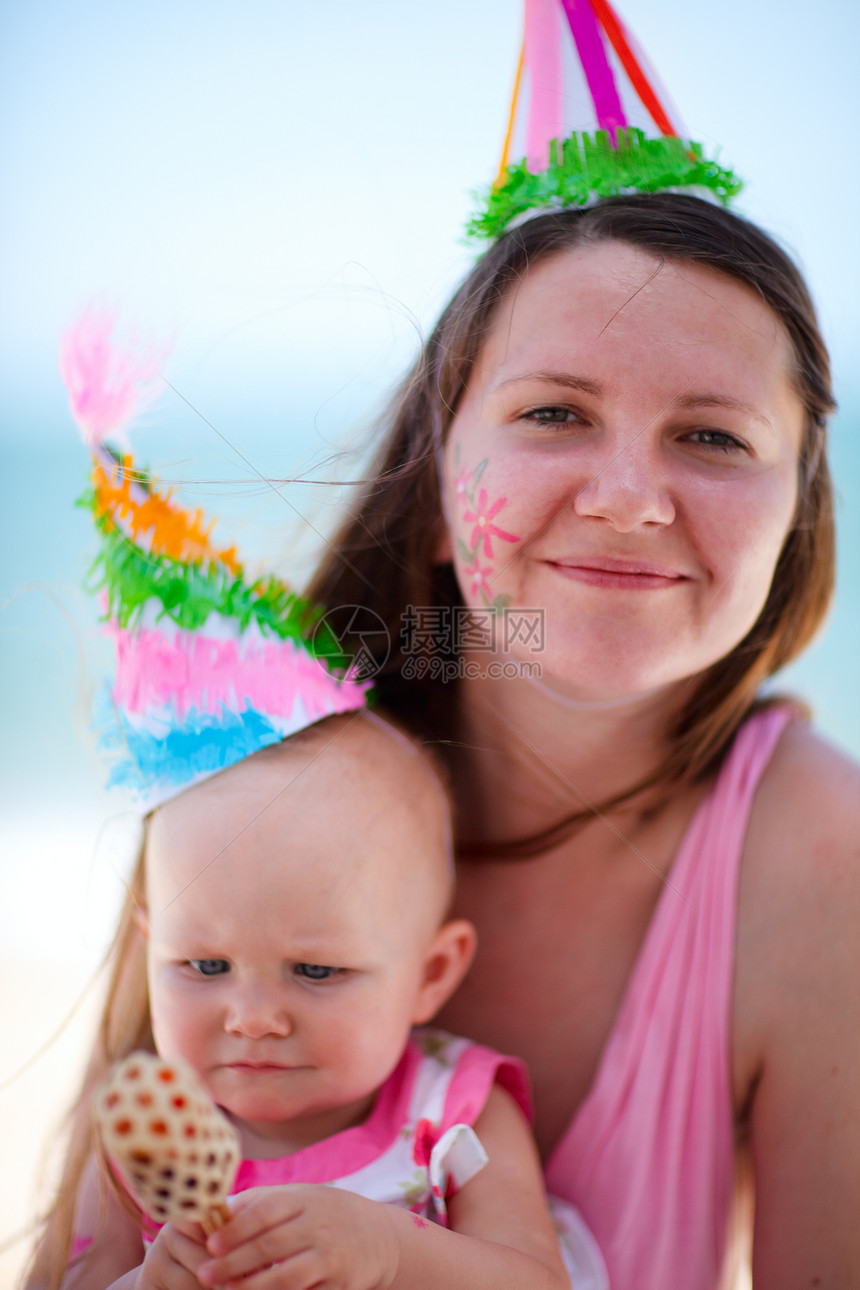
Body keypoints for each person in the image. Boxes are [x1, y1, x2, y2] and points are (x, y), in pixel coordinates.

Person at [306, 192, 860, 1288]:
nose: (625, 499)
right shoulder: (264, 774)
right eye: (554, 413)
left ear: (793, 519)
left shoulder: (824, 863)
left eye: (710, 435)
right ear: (431, 480)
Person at [24, 711, 607, 1290]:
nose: (252, 1019)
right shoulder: (149, 1135)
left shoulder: (454, 1114)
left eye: (316, 970)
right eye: (205, 966)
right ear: (151, 953)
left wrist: (393, 1253)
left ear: (430, 975)